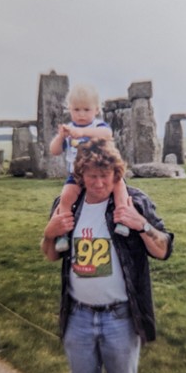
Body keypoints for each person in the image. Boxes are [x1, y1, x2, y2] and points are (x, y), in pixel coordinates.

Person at [42, 138, 173, 373]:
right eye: (91, 175)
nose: (99, 182)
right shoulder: (67, 204)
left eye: (106, 175)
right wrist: (48, 233)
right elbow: (53, 254)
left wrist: (141, 224)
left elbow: (163, 250)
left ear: (118, 174)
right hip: (79, 317)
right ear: (80, 175)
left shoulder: (135, 202)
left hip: (120, 318)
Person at [49, 84, 130, 253]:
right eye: (76, 110)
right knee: (66, 197)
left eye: (86, 109)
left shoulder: (98, 126)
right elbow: (54, 151)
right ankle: (63, 233)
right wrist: (60, 137)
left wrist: (81, 132)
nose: (81, 114)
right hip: (76, 174)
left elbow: (107, 135)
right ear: (69, 109)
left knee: (120, 187)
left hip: (102, 171)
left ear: (96, 110)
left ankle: (122, 219)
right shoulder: (69, 130)